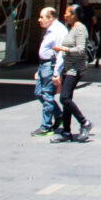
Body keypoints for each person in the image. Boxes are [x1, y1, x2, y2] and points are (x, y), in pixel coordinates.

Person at [51, 4, 94, 142]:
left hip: (75, 69)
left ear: (74, 15)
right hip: (68, 68)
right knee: (66, 99)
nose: (64, 15)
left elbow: (81, 50)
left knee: (64, 98)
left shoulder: (80, 29)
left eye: (67, 13)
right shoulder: (72, 28)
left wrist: (64, 49)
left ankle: (84, 122)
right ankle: (66, 132)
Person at [31, 7, 67, 137]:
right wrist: (39, 69)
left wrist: (57, 72)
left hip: (50, 66)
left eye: (42, 17)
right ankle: (59, 114)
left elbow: (61, 52)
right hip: (44, 65)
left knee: (47, 95)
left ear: (51, 17)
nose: (39, 20)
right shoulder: (50, 30)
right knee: (39, 93)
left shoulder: (59, 31)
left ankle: (46, 126)